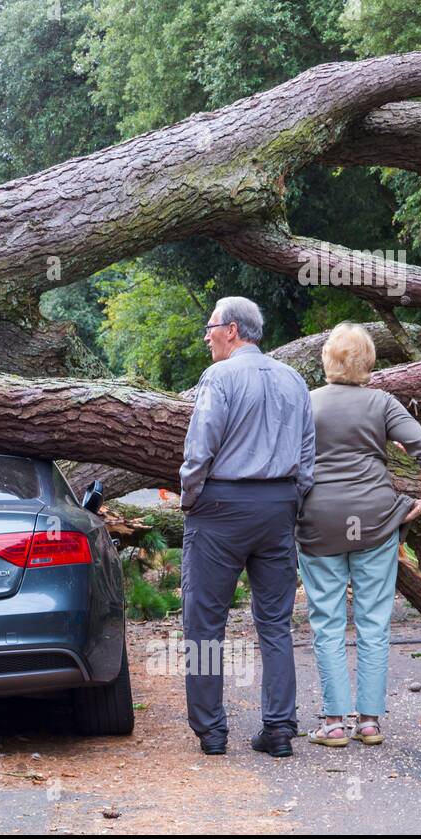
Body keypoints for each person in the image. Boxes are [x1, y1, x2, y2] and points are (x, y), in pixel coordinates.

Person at [180, 297, 315, 758]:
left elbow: (200, 446)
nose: (206, 335)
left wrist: (190, 496)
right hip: (278, 506)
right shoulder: (294, 379)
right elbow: (308, 455)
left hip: (221, 506)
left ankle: (211, 732)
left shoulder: (219, 377)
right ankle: (278, 728)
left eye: (211, 327)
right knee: (275, 623)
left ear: (233, 330)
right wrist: (291, 501)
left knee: (204, 623)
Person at [296, 322, 421, 747]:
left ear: (327, 360)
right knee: (374, 622)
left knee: (327, 622)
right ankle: (372, 722)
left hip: (319, 523)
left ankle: (335, 723)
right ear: (368, 362)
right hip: (376, 522)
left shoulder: (307, 403)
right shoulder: (383, 402)